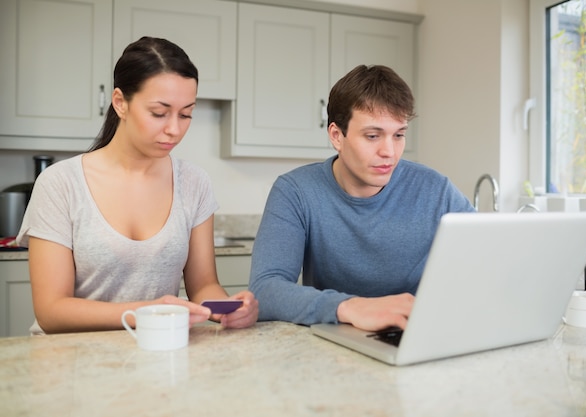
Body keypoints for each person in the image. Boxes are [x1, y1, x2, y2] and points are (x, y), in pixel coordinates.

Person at [17, 37, 258, 334]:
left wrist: (228, 309)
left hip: (158, 351)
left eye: (186, 114)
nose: (174, 129)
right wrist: (149, 312)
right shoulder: (60, 183)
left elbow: (204, 285)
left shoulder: (194, 183)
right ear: (120, 103)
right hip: (71, 361)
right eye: (159, 113)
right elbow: (52, 311)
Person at [248, 65, 474, 332]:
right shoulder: (296, 191)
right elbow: (265, 289)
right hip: (334, 340)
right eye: (372, 136)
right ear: (336, 136)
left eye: (399, 135)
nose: (389, 152)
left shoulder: (436, 190)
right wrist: (350, 307)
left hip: (415, 335)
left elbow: (487, 261)